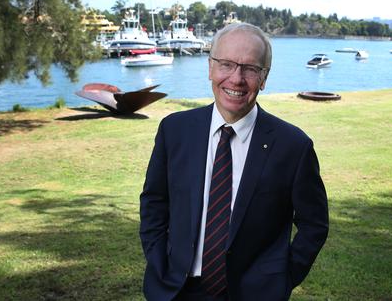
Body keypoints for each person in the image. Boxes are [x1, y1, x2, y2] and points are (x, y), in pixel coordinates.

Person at [139, 22, 329, 300]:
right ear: (210, 68)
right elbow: (155, 201)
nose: (236, 79)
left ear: (264, 78)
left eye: (251, 68)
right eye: (226, 64)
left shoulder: (293, 147)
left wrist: (282, 279)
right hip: (176, 290)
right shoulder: (175, 130)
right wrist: (158, 260)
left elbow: (314, 224)